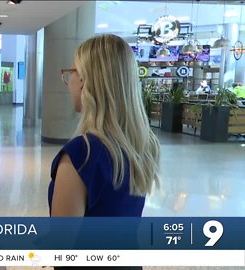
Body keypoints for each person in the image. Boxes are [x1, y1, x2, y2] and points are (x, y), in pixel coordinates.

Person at [51, 34, 161, 270]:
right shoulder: (142, 146)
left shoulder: (81, 155)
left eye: (70, 72)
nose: (68, 80)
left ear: (83, 80)